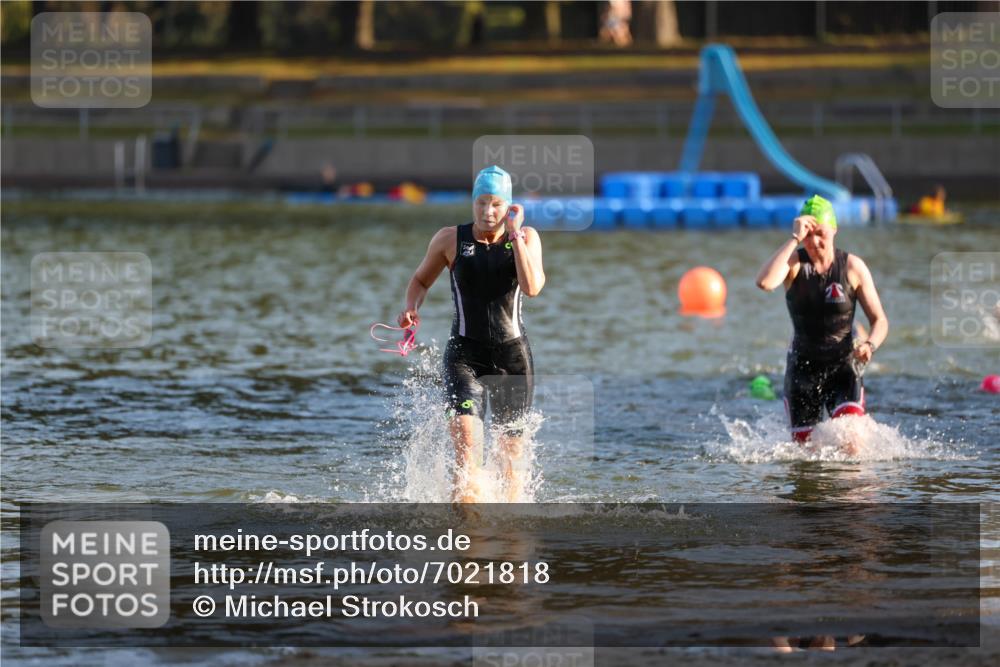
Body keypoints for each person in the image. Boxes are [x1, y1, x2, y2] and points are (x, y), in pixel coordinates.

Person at [397, 166, 546, 502]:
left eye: (495, 204)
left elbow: (532, 287)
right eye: (481, 203)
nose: (487, 212)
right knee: (466, 448)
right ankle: (466, 535)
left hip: (513, 359)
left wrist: (516, 235)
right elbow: (420, 281)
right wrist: (412, 307)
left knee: (511, 462)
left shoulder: (527, 237)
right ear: (472, 202)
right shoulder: (450, 239)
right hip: (465, 356)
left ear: (507, 207)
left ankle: (509, 534)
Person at [755, 195, 889, 446]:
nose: (814, 241)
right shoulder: (794, 263)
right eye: (808, 234)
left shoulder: (852, 267)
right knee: (806, 457)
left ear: (835, 230)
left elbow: (879, 320)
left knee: (852, 444)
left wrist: (869, 345)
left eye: (821, 234)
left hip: (844, 368)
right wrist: (794, 239)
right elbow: (764, 283)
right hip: (802, 371)